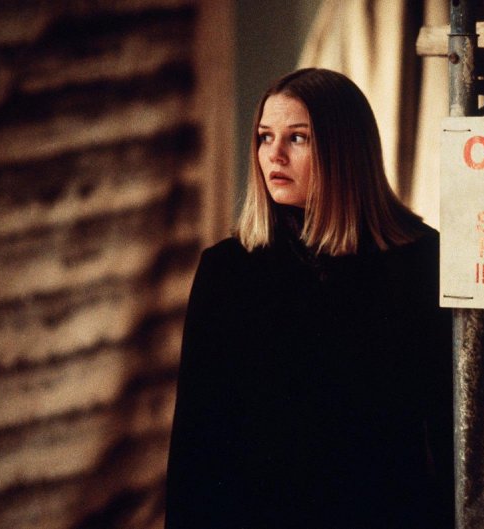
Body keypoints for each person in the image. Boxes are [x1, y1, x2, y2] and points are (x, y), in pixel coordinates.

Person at [165, 68, 454, 528]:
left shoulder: (422, 259)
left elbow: (450, 428)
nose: (274, 155)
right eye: (265, 137)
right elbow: (196, 444)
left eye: (297, 138)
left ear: (345, 150)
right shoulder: (227, 269)